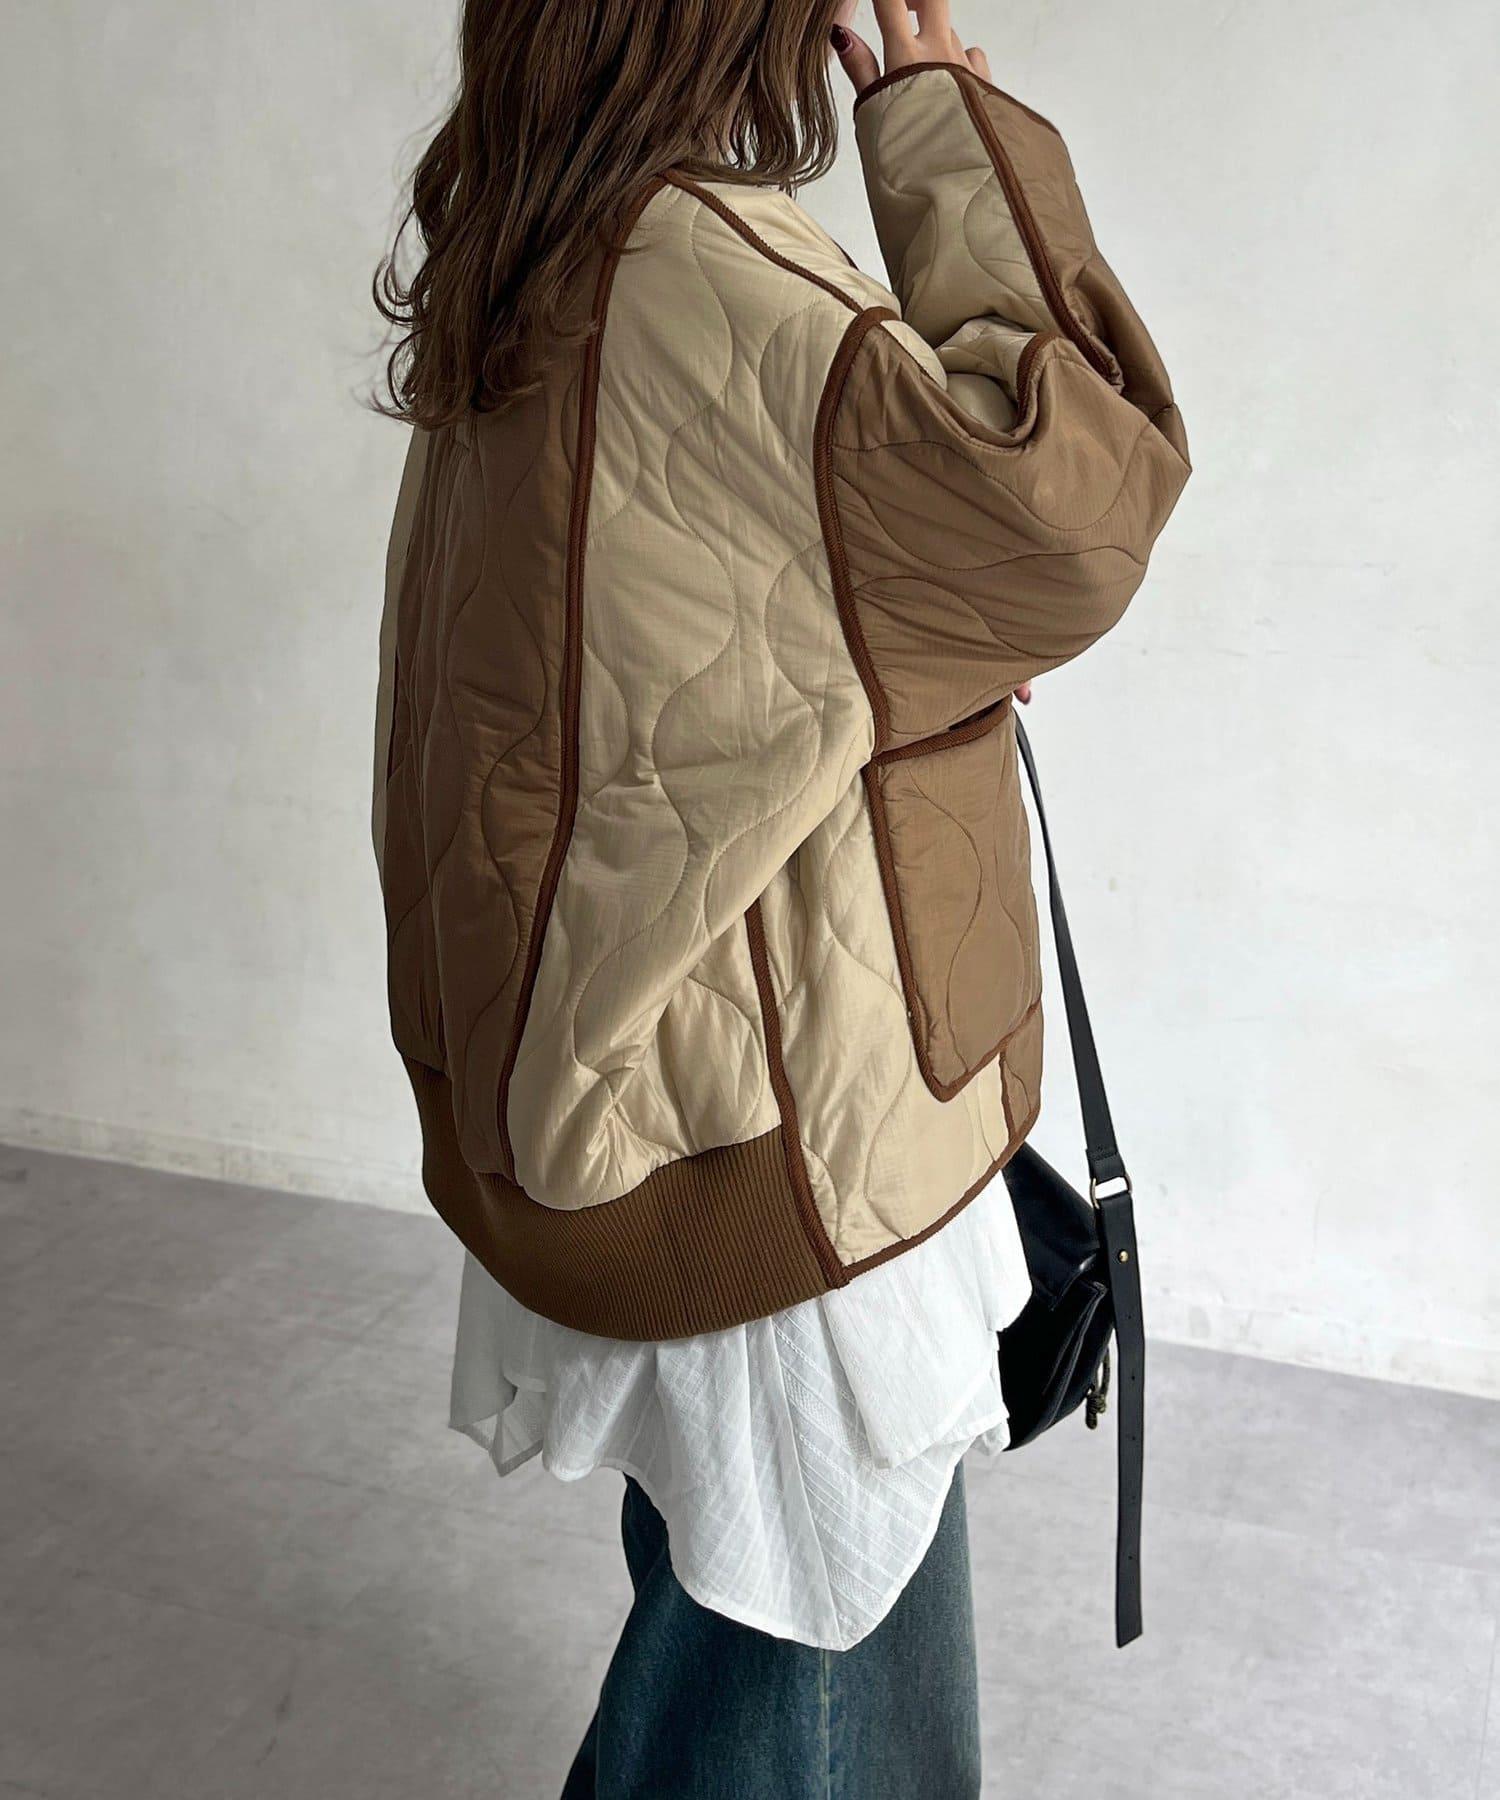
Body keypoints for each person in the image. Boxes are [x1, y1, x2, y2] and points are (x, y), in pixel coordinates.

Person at [371, 1, 1189, 1793]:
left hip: (651, 1081)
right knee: (798, 1683)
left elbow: (703, 644)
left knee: (762, 1659)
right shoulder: (717, 269)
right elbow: (1078, 504)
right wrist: (939, 126)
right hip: (780, 1144)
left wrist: (920, 634)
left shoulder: (528, 240)